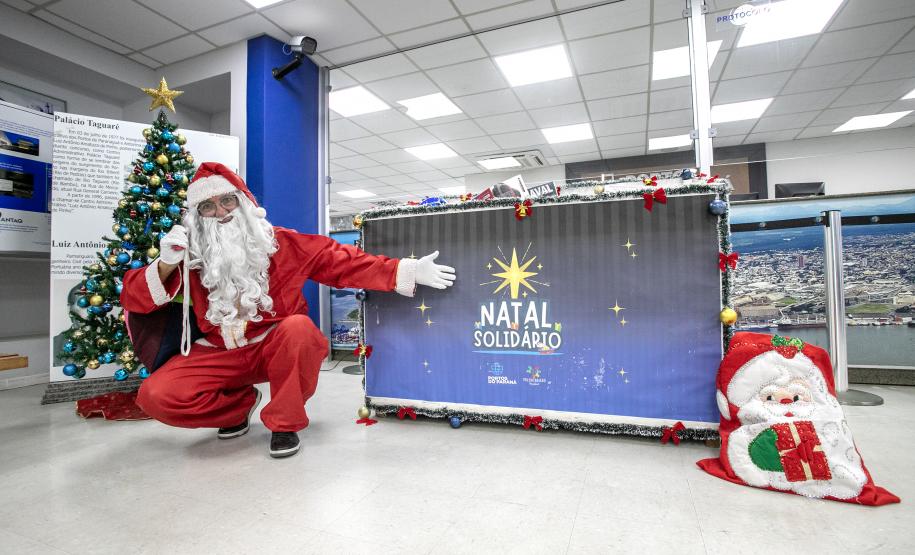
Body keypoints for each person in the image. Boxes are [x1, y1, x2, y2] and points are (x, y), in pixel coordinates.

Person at [120, 162, 456, 458]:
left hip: (275, 345)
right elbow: (135, 298)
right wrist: (165, 263)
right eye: (208, 206)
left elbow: (342, 262)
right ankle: (237, 409)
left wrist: (406, 270)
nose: (221, 212)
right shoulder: (189, 258)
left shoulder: (282, 243)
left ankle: (284, 423)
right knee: (156, 395)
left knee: (299, 329)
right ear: (197, 216)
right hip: (217, 353)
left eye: (227, 201)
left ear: (244, 203)